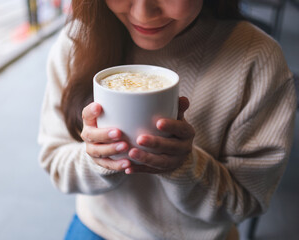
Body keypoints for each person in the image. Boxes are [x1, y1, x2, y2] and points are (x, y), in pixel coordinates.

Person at [38, 0, 297, 239]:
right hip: (98, 227)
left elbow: (247, 201)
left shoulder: (257, 61)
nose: (143, 13)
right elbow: (55, 162)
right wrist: (98, 158)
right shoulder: (78, 40)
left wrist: (184, 166)